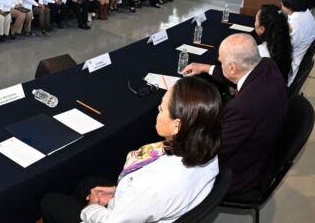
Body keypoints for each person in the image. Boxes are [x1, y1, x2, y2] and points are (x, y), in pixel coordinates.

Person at [40, 76, 221, 223]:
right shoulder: (205, 149)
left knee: (50, 202)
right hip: (151, 204)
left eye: (161, 109)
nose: (157, 112)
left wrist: (91, 209)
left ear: (177, 126)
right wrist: (120, 191)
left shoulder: (153, 185)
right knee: (86, 184)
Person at [181, 34, 287, 198]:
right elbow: (238, 77)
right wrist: (205, 68)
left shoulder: (242, 108)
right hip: (264, 148)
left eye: (220, 62)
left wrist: (183, 132)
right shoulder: (266, 65)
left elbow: (211, 151)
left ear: (232, 67)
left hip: (243, 176)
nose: (219, 64)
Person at [279, 0, 315, 84]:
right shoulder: (306, 13)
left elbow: (281, 49)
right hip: (296, 58)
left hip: (287, 70)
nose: (281, 4)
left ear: (289, 5)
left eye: (282, 2)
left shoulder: (296, 25)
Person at [254, 4, 294, 87]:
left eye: (256, 21)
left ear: (262, 29)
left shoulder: (259, 52)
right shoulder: (284, 44)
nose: (254, 24)